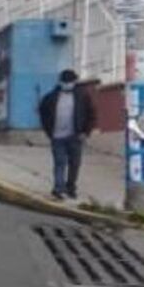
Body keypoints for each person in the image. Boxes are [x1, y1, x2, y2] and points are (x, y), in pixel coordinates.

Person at [38, 68, 95, 201]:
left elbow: (91, 114)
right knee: (59, 162)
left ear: (74, 82)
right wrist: (48, 131)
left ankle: (71, 187)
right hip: (57, 136)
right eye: (65, 81)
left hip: (75, 136)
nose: (67, 84)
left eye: (69, 81)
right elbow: (43, 113)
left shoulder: (82, 96)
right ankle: (58, 188)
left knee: (75, 163)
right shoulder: (52, 97)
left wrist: (86, 132)